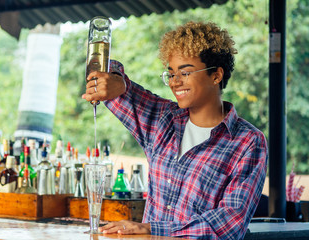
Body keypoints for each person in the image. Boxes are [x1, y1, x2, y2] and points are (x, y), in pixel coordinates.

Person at [82, 21, 268, 240]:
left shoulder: (248, 142)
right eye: (170, 74)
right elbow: (108, 78)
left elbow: (228, 225)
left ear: (216, 75)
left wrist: (151, 229)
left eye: (185, 73)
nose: (175, 82)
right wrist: (117, 82)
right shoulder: (164, 121)